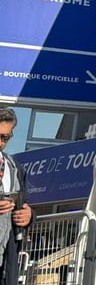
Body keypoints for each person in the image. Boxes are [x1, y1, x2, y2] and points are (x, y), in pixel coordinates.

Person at [0, 107, 32, 285]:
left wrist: (28, 216)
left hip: (5, 261)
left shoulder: (14, 168)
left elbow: (24, 204)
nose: (0, 142)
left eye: (5, 137)